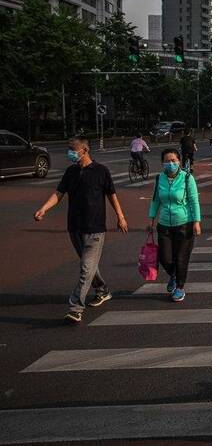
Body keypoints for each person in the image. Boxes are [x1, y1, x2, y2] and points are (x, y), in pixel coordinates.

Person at [33, 135, 128, 323]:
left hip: (95, 228)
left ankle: (75, 308)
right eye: (69, 149)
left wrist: (121, 217)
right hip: (74, 228)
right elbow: (59, 193)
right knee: (89, 266)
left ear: (84, 150)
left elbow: (112, 195)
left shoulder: (101, 171)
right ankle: (102, 290)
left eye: (73, 150)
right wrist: (44, 208)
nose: (70, 153)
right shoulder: (71, 172)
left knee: (86, 268)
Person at [148, 148, 202, 302]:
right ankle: (173, 274)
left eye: (173, 160)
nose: (170, 163)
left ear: (179, 162)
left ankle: (179, 287)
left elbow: (194, 201)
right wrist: (151, 219)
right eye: (167, 161)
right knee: (165, 258)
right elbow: (155, 200)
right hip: (164, 224)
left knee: (181, 258)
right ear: (162, 163)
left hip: (185, 224)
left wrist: (196, 222)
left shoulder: (187, 178)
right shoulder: (159, 178)